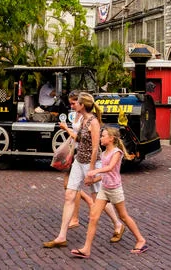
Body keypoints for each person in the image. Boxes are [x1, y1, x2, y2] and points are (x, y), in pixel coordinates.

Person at [44, 92, 125, 249]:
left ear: (82, 105)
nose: (74, 105)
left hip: (90, 163)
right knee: (69, 194)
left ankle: (117, 224)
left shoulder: (93, 122)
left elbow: (95, 148)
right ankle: (61, 236)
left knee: (98, 197)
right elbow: (80, 139)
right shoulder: (83, 119)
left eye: (76, 103)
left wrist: (92, 170)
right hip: (79, 161)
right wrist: (68, 131)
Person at [70, 126, 149, 259]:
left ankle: (141, 240)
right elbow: (106, 173)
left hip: (115, 189)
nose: (100, 138)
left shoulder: (116, 152)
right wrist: (95, 180)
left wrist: (95, 171)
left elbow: (110, 168)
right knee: (93, 217)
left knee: (123, 216)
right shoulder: (104, 152)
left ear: (111, 139)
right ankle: (86, 249)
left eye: (103, 136)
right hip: (104, 189)